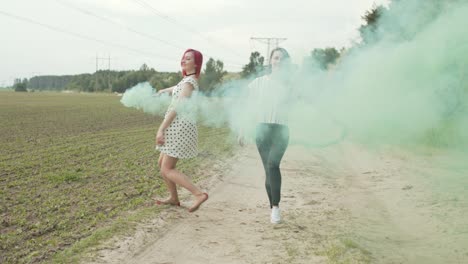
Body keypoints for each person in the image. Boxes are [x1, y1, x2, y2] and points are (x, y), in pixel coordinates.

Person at [239, 47, 293, 224]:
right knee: (268, 170)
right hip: (261, 130)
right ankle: (272, 206)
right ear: (271, 61)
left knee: (273, 165)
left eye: (282, 59)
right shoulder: (258, 83)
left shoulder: (290, 85)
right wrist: (242, 130)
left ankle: (276, 208)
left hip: (281, 130)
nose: (278, 61)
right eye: (276, 58)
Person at [155, 48, 208, 212]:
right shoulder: (187, 80)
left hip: (179, 127)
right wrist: (165, 90)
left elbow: (177, 106)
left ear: (196, 63)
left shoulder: (190, 82)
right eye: (183, 58)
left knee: (167, 168)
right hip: (176, 126)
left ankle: (199, 194)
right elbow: (178, 87)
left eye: (189, 59)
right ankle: (173, 198)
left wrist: (161, 129)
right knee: (161, 163)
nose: (184, 61)